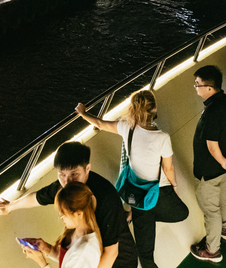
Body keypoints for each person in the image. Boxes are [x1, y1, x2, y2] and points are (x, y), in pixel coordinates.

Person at [74, 90, 189, 268]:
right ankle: (139, 216)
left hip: (137, 196)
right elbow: (168, 168)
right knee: (181, 212)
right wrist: (174, 185)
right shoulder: (162, 138)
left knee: (145, 253)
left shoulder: (126, 127)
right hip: (156, 193)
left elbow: (100, 123)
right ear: (153, 110)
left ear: (133, 110)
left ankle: (138, 216)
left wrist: (83, 113)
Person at [0, 142, 139, 268]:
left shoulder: (105, 196)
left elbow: (111, 252)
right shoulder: (67, 189)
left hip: (120, 262)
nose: (67, 181)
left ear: (87, 169)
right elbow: (38, 197)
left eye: (74, 174)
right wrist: (10, 207)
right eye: (62, 175)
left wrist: (43, 263)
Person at [190, 65, 226, 263]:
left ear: (209, 88)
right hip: (222, 166)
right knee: (225, 195)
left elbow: (211, 145)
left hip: (209, 169)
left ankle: (212, 251)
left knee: (211, 211)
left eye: (198, 84)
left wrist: (222, 160)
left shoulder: (211, 111)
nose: (195, 87)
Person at [20, 182, 102, 268]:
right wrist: (47, 248)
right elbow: (67, 259)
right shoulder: (75, 231)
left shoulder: (83, 253)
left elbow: (74, 260)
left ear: (79, 214)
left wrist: (42, 262)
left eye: (64, 214)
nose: (61, 217)